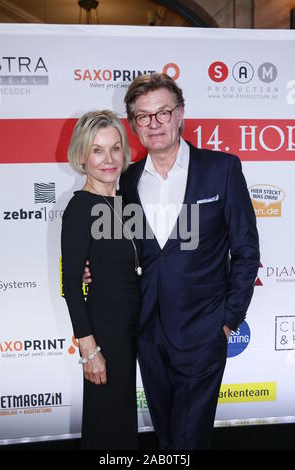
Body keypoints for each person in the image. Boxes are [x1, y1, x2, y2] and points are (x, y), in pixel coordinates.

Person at [84, 73, 260, 450]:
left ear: (180, 114)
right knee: (166, 431)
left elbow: (246, 251)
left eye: (163, 112)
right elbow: (121, 249)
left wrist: (229, 321)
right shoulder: (126, 182)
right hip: (147, 331)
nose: (155, 123)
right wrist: (93, 268)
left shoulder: (221, 169)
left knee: (189, 438)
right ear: (133, 125)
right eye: (144, 116)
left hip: (204, 329)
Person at [61, 110, 141, 450]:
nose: (108, 159)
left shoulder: (129, 202)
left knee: (124, 423)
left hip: (138, 328)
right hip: (105, 333)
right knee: (105, 425)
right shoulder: (80, 209)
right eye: (97, 150)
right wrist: (88, 349)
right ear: (82, 155)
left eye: (115, 148)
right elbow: (71, 287)